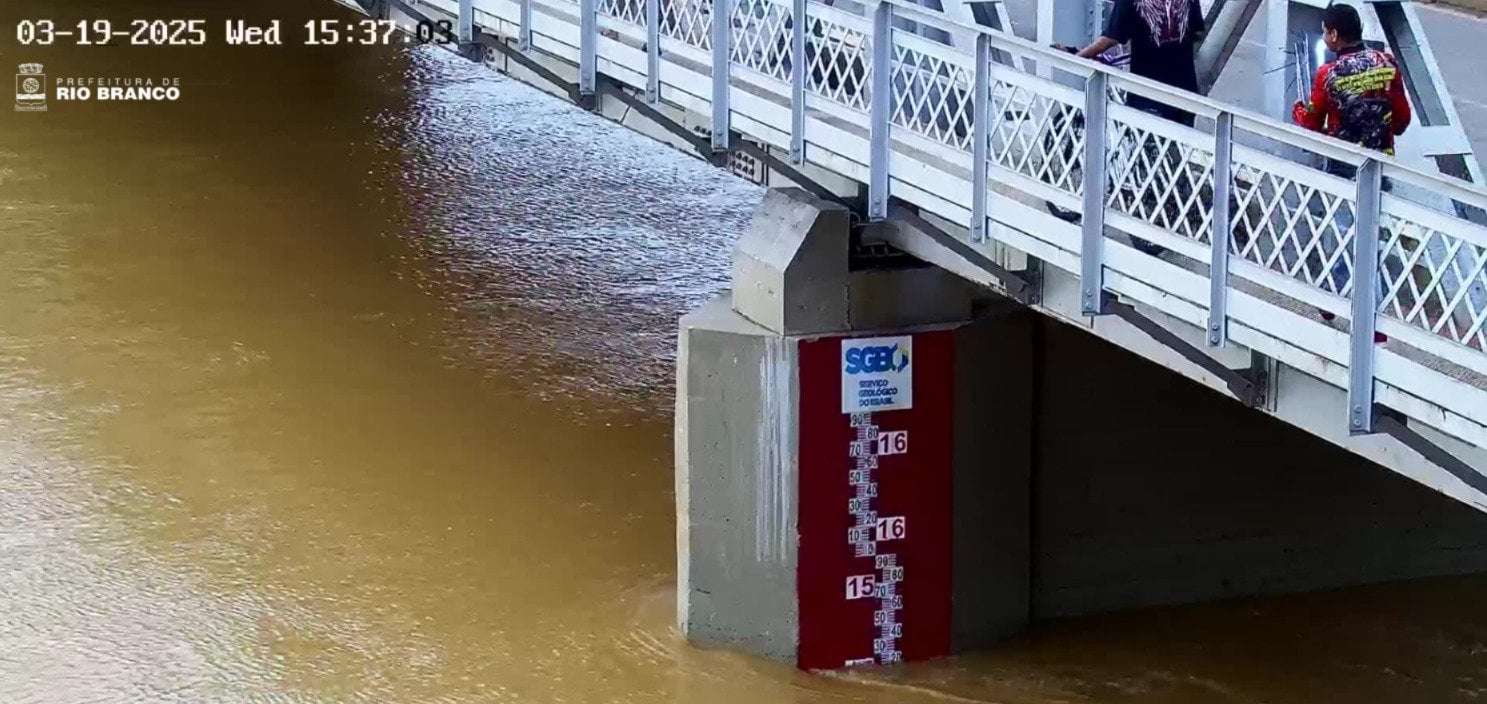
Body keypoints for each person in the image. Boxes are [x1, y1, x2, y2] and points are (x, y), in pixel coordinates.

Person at [1291, 2, 1410, 337]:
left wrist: (1298, 111)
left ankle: (1333, 296)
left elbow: (1312, 124)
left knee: (1342, 236)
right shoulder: (1387, 64)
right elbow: (1401, 122)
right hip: (1380, 164)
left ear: (1333, 34)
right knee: (1372, 239)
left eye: (1326, 31)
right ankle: (1375, 320)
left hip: (1344, 167)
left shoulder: (1328, 76)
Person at [1073, 0, 1206, 127]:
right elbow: (1198, 32)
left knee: (1148, 147)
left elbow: (1110, 39)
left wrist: (1077, 57)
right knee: (1178, 146)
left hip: (1147, 95)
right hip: (1185, 94)